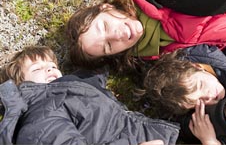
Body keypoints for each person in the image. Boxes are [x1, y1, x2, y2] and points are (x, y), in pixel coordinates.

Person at [65, 0, 226, 72]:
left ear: (106, 8)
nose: (117, 35)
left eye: (105, 26)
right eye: (108, 46)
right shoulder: (156, 65)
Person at [0, 45, 179, 145]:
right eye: (37, 68)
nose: (49, 68)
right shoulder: (41, 108)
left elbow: (99, 68)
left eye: (53, 66)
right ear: (20, 84)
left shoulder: (75, 84)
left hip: (143, 133)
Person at [143, 38, 226, 144]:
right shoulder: (200, 123)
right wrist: (210, 141)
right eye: (198, 102)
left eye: (200, 85)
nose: (208, 97)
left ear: (198, 67)